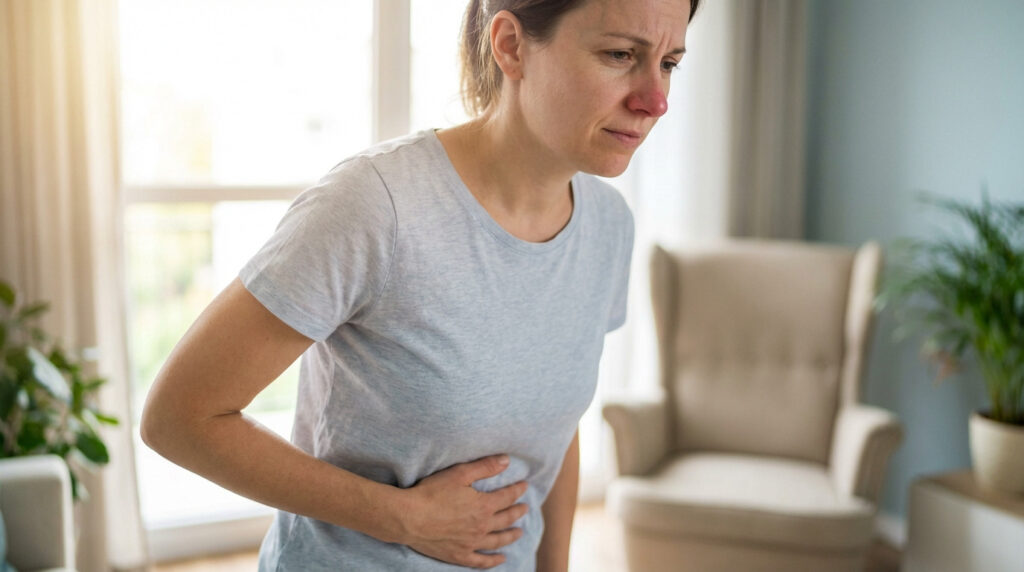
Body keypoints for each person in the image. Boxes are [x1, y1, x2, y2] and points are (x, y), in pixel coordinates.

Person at [141, 0, 699, 569]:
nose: (655, 100)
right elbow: (179, 419)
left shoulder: (608, 225)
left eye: (670, 63)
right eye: (619, 55)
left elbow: (554, 431)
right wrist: (404, 517)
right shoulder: (375, 205)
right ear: (509, 45)